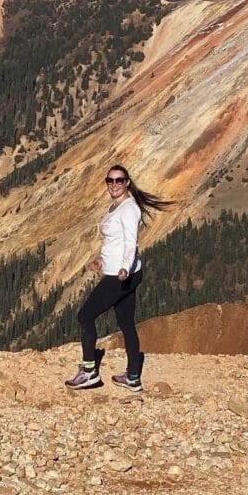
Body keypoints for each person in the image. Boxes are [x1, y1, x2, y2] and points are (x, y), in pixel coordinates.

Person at [65, 165, 171, 392]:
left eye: (119, 180)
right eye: (110, 181)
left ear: (127, 182)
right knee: (125, 323)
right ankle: (133, 376)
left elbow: (131, 242)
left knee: (85, 316)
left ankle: (89, 371)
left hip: (120, 276)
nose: (114, 184)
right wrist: (101, 260)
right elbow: (115, 241)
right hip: (123, 271)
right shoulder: (116, 205)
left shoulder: (129, 209)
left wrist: (123, 268)